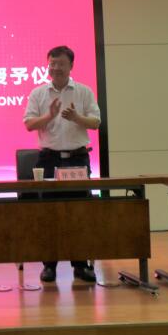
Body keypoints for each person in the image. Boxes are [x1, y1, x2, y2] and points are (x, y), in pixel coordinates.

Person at [23, 45, 101, 283]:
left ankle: (81, 265)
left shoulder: (84, 91)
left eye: (61, 64)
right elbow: (29, 124)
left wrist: (76, 117)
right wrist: (49, 115)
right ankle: (49, 266)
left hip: (77, 159)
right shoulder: (38, 93)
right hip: (49, 160)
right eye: (52, 63)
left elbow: (96, 122)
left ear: (71, 66)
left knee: (79, 213)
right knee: (49, 214)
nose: (55, 68)